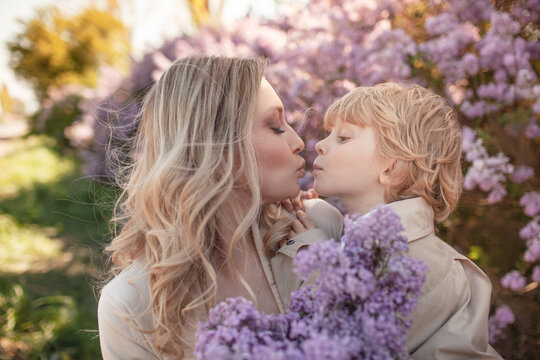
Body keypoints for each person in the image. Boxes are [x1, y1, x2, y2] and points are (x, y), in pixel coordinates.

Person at [97, 56, 342, 359]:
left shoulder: (318, 227)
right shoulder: (129, 306)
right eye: (275, 126)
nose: (297, 141)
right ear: (217, 146)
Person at [277, 82, 502, 359]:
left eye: (343, 138)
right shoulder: (367, 242)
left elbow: (341, 345)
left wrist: (315, 262)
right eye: (328, 135)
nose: (320, 145)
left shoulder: (416, 263)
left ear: (391, 167)